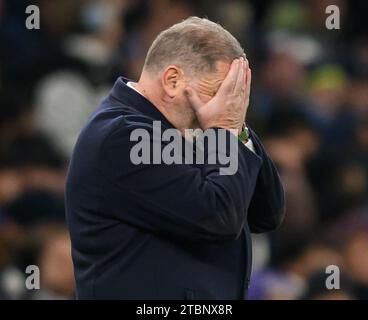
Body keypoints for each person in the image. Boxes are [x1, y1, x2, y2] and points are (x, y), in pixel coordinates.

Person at [65, 17, 285, 299]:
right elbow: (218, 216)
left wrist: (237, 131)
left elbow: (266, 213)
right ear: (172, 80)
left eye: (233, 95)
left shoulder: (194, 130)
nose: (227, 104)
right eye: (218, 91)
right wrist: (225, 129)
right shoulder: (122, 137)